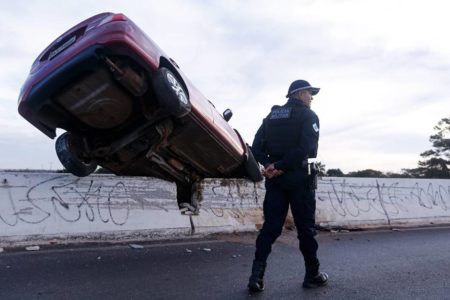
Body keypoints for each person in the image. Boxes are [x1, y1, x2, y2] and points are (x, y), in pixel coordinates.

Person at [247, 79, 328, 292]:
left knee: (270, 228)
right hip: (299, 178)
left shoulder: (270, 117)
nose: (311, 98)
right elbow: (306, 148)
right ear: (299, 93)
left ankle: (256, 277)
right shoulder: (308, 116)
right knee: (305, 229)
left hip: (275, 180)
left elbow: (255, 148)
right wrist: (283, 165)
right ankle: (312, 275)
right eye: (310, 93)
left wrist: (271, 165)